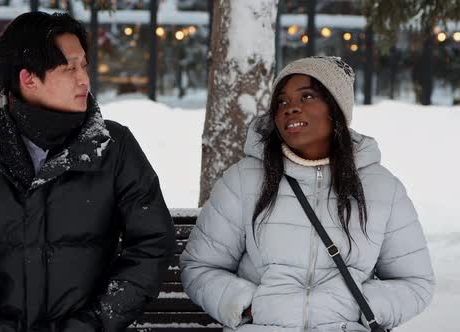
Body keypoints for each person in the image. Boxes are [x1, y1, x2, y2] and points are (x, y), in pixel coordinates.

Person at [0, 11, 176, 332]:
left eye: (84, 66)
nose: (84, 79)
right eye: (69, 68)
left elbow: (152, 242)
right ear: (28, 79)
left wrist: (94, 323)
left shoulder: (114, 147)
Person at [180, 56, 435, 332]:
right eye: (281, 102)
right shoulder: (243, 180)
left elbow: (414, 281)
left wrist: (363, 305)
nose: (291, 109)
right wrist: (248, 306)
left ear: (336, 108)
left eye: (307, 97)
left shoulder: (382, 188)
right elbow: (200, 266)